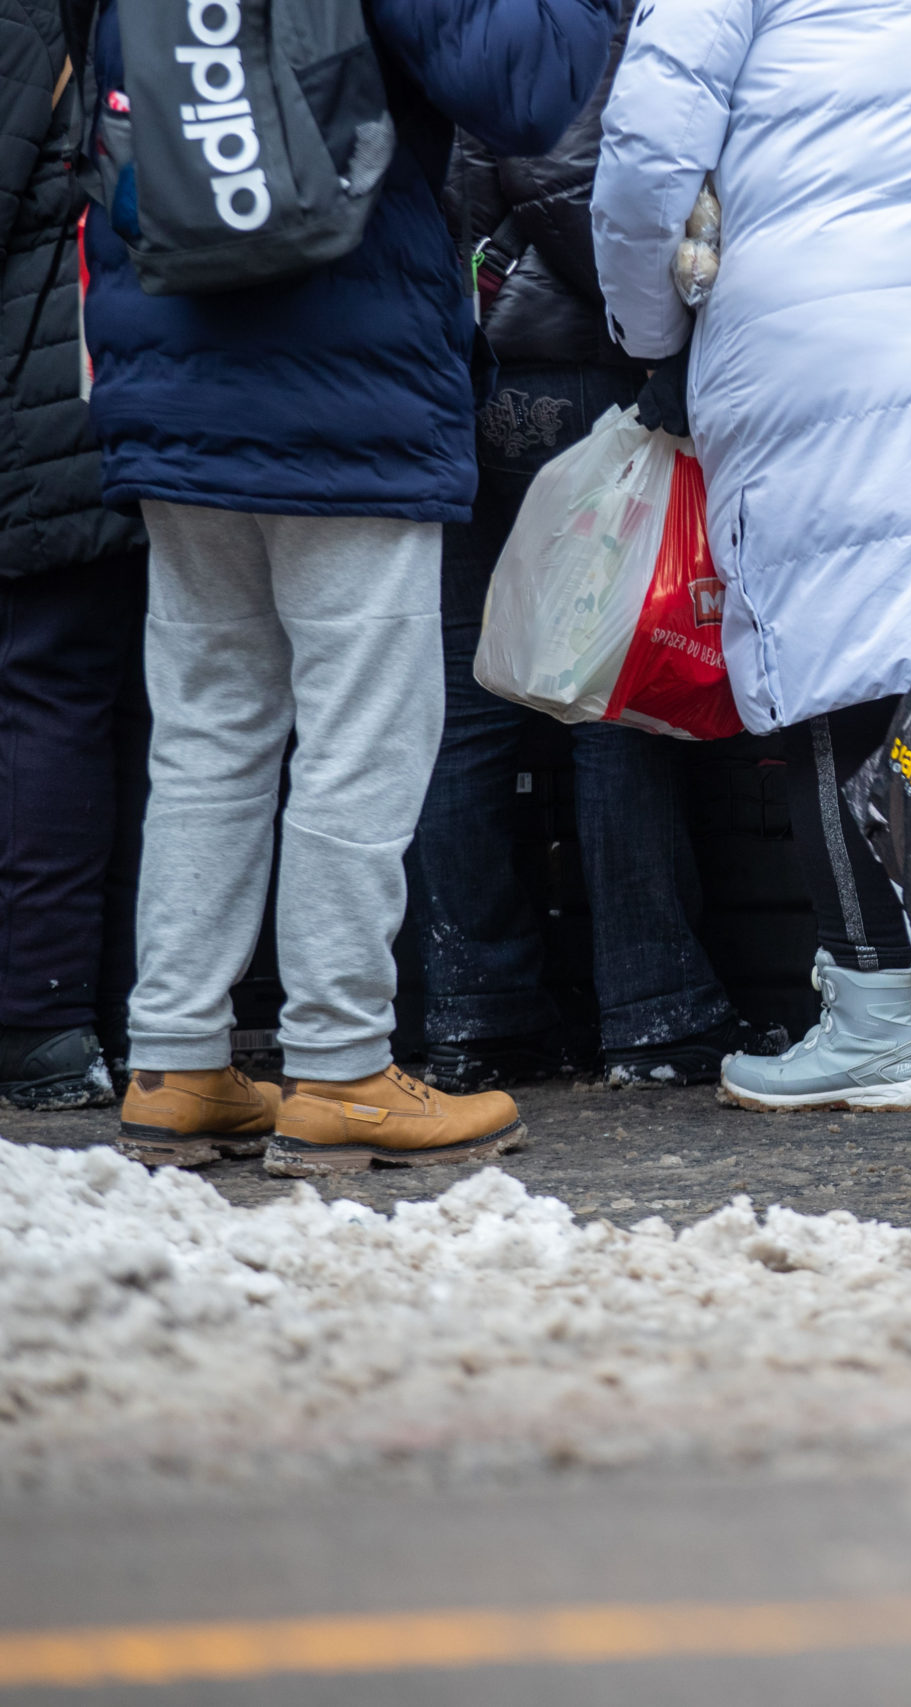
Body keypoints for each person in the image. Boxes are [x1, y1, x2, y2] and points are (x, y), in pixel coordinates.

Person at [84, 0, 614, 1171]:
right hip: (343, 381)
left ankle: (175, 1063)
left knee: (209, 724)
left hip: (170, 362)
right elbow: (529, 85)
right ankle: (339, 1068)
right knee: (361, 733)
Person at [594, 0, 911, 1113]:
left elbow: (649, 149)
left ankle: (872, 1017)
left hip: (816, 338)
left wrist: (647, 332)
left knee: (827, 679)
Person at [422, 3, 783, 1095]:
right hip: (577, 384)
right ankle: (655, 1008)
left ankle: (475, 1015)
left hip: (476, 380)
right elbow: (571, 182)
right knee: (613, 692)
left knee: (472, 696)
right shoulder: (577, 23)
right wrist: (666, 326)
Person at [0, 0, 149, 1111]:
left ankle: (44, 1022)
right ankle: (118, 1017)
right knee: (127, 715)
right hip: (130, 398)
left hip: (46, 404)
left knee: (53, 698)